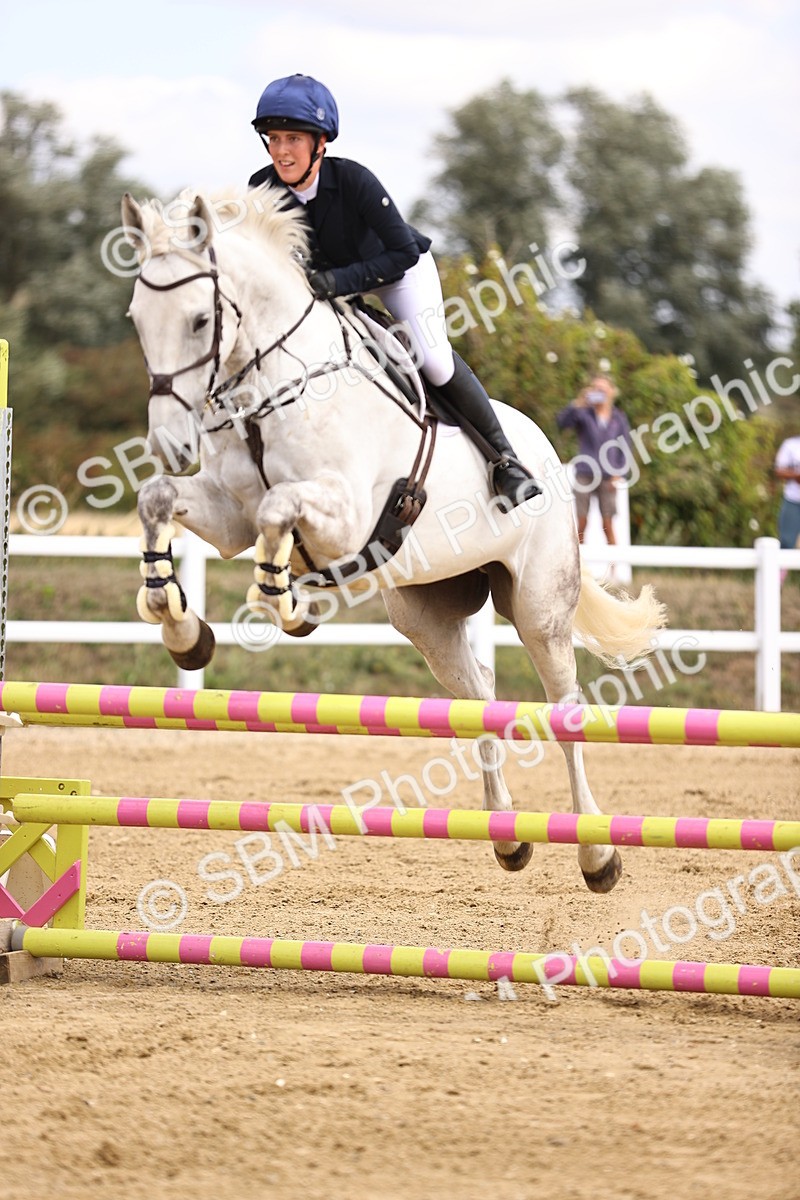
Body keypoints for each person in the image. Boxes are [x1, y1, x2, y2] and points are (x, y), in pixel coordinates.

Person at [248, 73, 541, 511]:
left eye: (293, 139)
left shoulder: (354, 181)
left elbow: (402, 252)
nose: (282, 151)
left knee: (433, 360)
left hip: (398, 273)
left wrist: (338, 282)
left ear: (320, 143)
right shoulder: (262, 187)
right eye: (274, 139)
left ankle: (505, 462)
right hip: (327, 289)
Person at [556, 374, 632, 545]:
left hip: (608, 475)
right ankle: (577, 566)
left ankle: (614, 568)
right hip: (585, 473)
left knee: (608, 524)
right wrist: (577, 404)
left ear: (612, 392)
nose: (600, 393)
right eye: (596, 389)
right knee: (581, 522)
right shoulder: (583, 413)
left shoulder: (618, 418)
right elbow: (562, 423)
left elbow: (625, 446)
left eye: (603, 390)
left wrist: (619, 473)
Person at [774, 432, 800, 584]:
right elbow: (779, 470)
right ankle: (777, 583)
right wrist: (795, 476)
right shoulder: (791, 445)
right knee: (786, 542)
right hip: (793, 500)